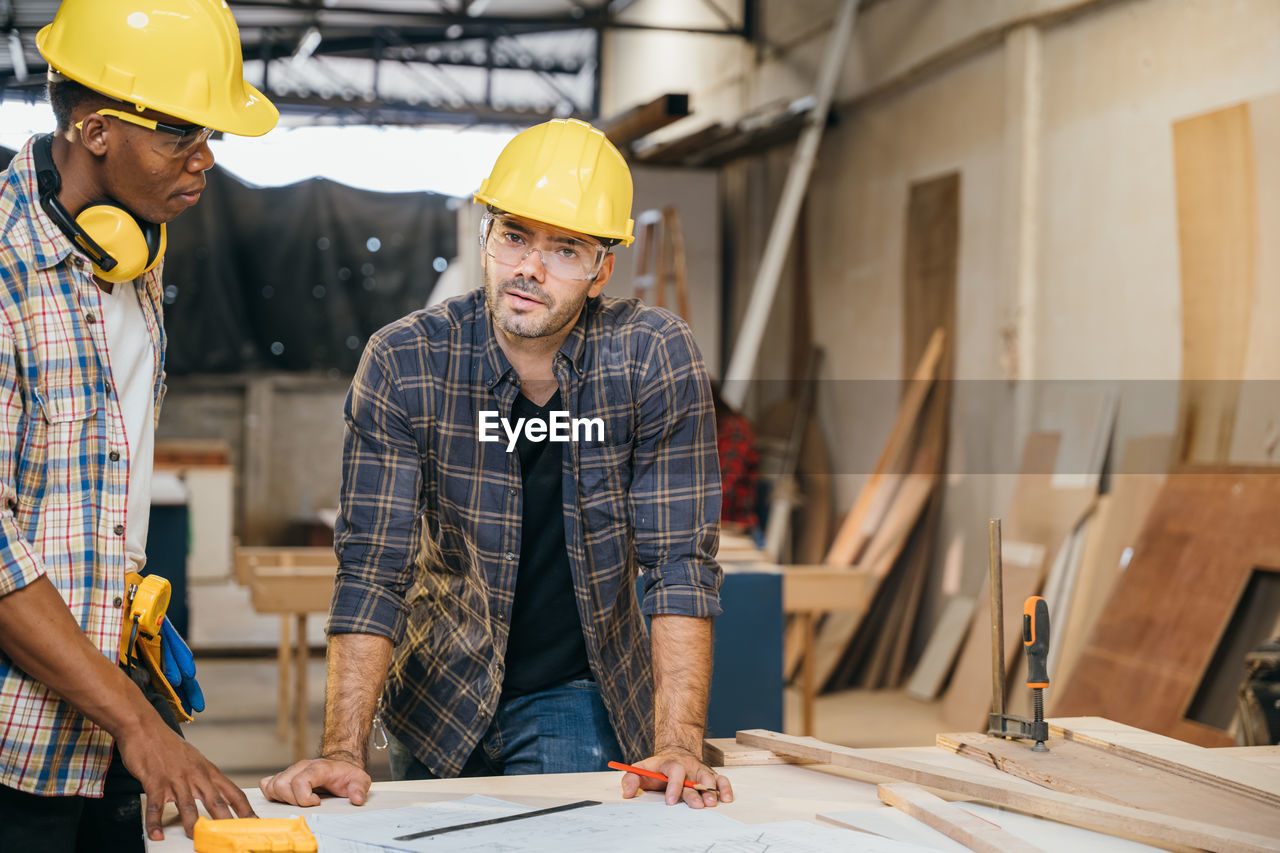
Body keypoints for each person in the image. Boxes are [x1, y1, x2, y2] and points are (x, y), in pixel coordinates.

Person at [260, 118, 734, 809]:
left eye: (566, 249)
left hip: (575, 689)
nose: (529, 269)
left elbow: (680, 563)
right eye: (513, 235)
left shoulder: (652, 357)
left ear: (603, 269)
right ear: (486, 237)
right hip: (437, 687)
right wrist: (341, 750)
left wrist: (681, 741)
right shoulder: (405, 362)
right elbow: (373, 567)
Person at [0, 1, 278, 849]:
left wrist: (126, 613)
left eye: (212, 140)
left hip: (107, 715)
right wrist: (139, 725)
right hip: (15, 749)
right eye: (179, 137)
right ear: (94, 129)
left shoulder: (132, 254)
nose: (203, 163)